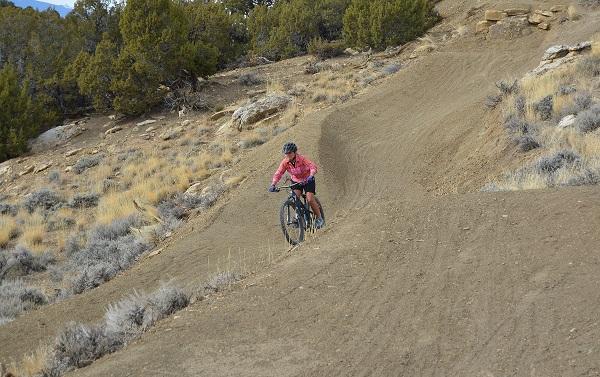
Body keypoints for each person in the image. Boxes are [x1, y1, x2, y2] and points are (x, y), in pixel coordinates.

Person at [269, 142, 325, 229]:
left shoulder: (302, 159)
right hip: (296, 181)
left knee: (310, 199)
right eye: (286, 153)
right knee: (294, 199)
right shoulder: (285, 162)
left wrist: (311, 175)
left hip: (308, 180)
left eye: (289, 153)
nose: (287, 155)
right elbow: (279, 173)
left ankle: (319, 218)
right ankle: (299, 217)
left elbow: (312, 166)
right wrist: (273, 184)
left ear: (294, 152)